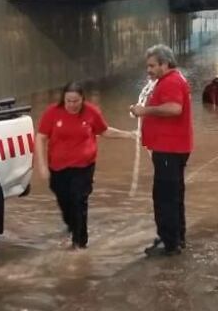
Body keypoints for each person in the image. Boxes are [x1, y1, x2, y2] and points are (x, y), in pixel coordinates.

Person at [36, 81, 135, 249]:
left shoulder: (91, 112)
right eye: (68, 101)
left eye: (76, 101)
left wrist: (129, 135)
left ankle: (79, 243)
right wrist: (42, 166)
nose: (72, 105)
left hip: (84, 167)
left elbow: (104, 131)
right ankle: (72, 224)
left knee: (79, 200)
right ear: (63, 100)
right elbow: (41, 137)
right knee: (64, 200)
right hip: (58, 167)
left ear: (82, 99)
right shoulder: (52, 113)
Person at [129, 45, 193, 257]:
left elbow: (175, 108)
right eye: (147, 66)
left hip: (169, 149)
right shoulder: (171, 80)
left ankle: (170, 242)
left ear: (165, 64)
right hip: (173, 148)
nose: (148, 70)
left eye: (152, 66)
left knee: (164, 197)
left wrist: (144, 110)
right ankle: (175, 237)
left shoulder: (171, 82)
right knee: (174, 195)